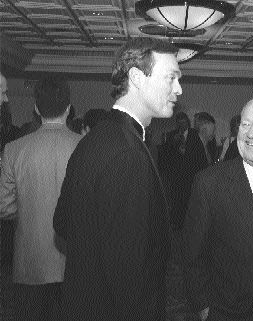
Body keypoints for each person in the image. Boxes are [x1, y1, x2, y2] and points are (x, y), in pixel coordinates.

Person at [53, 38, 182, 321]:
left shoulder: (96, 138)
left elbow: (62, 222)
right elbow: (130, 273)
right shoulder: (127, 151)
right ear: (136, 77)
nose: (179, 89)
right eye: (171, 78)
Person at [183, 97, 253, 321]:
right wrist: (205, 308)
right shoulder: (210, 183)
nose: (250, 133)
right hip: (230, 311)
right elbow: (192, 254)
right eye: (245, 125)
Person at [0, 76, 82, 321]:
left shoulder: (13, 149)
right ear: (68, 109)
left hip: (29, 262)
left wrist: (26, 210)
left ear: (36, 109)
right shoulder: (85, 145)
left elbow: (3, 207)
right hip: (73, 262)